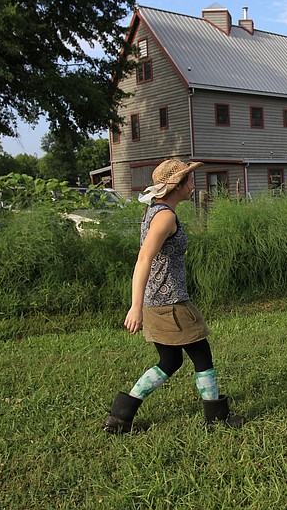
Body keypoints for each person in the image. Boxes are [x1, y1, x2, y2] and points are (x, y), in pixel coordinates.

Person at [103, 159, 244, 434]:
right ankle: (216, 420)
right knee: (202, 354)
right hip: (169, 302)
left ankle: (120, 418)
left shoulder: (156, 210)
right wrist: (135, 307)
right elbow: (144, 257)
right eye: (189, 179)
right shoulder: (165, 216)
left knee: (170, 361)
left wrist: (142, 304)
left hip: (158, 301)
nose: (193, 184)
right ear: (177, 185)